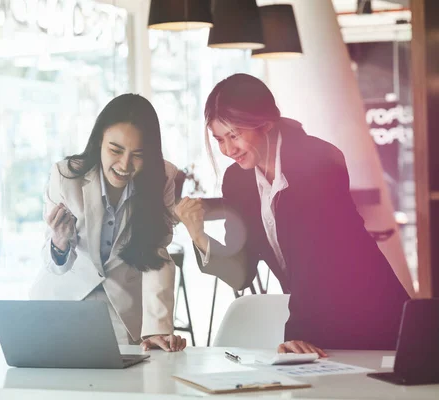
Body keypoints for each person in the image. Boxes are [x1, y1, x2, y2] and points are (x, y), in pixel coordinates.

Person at [175, 73, 409, 354]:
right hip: (319, 329)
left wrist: (297, 334)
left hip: (372, 315)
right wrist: (199, 236)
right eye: (219, 140)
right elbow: (242, 273)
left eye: (234, 135)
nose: (227, 150)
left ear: (265, 123)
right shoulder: (237, 181)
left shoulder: (319, 160)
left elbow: (318, 259)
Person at [29, 93, 186, 352]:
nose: (125, 164)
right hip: (62, 303)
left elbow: (156, 253)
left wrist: (157, 328)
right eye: (115, 150)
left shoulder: (163, 178)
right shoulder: (66, 176)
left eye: (138, 154)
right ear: (99, 140)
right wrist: (59, 241)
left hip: (122, 312)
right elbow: (54, 263)